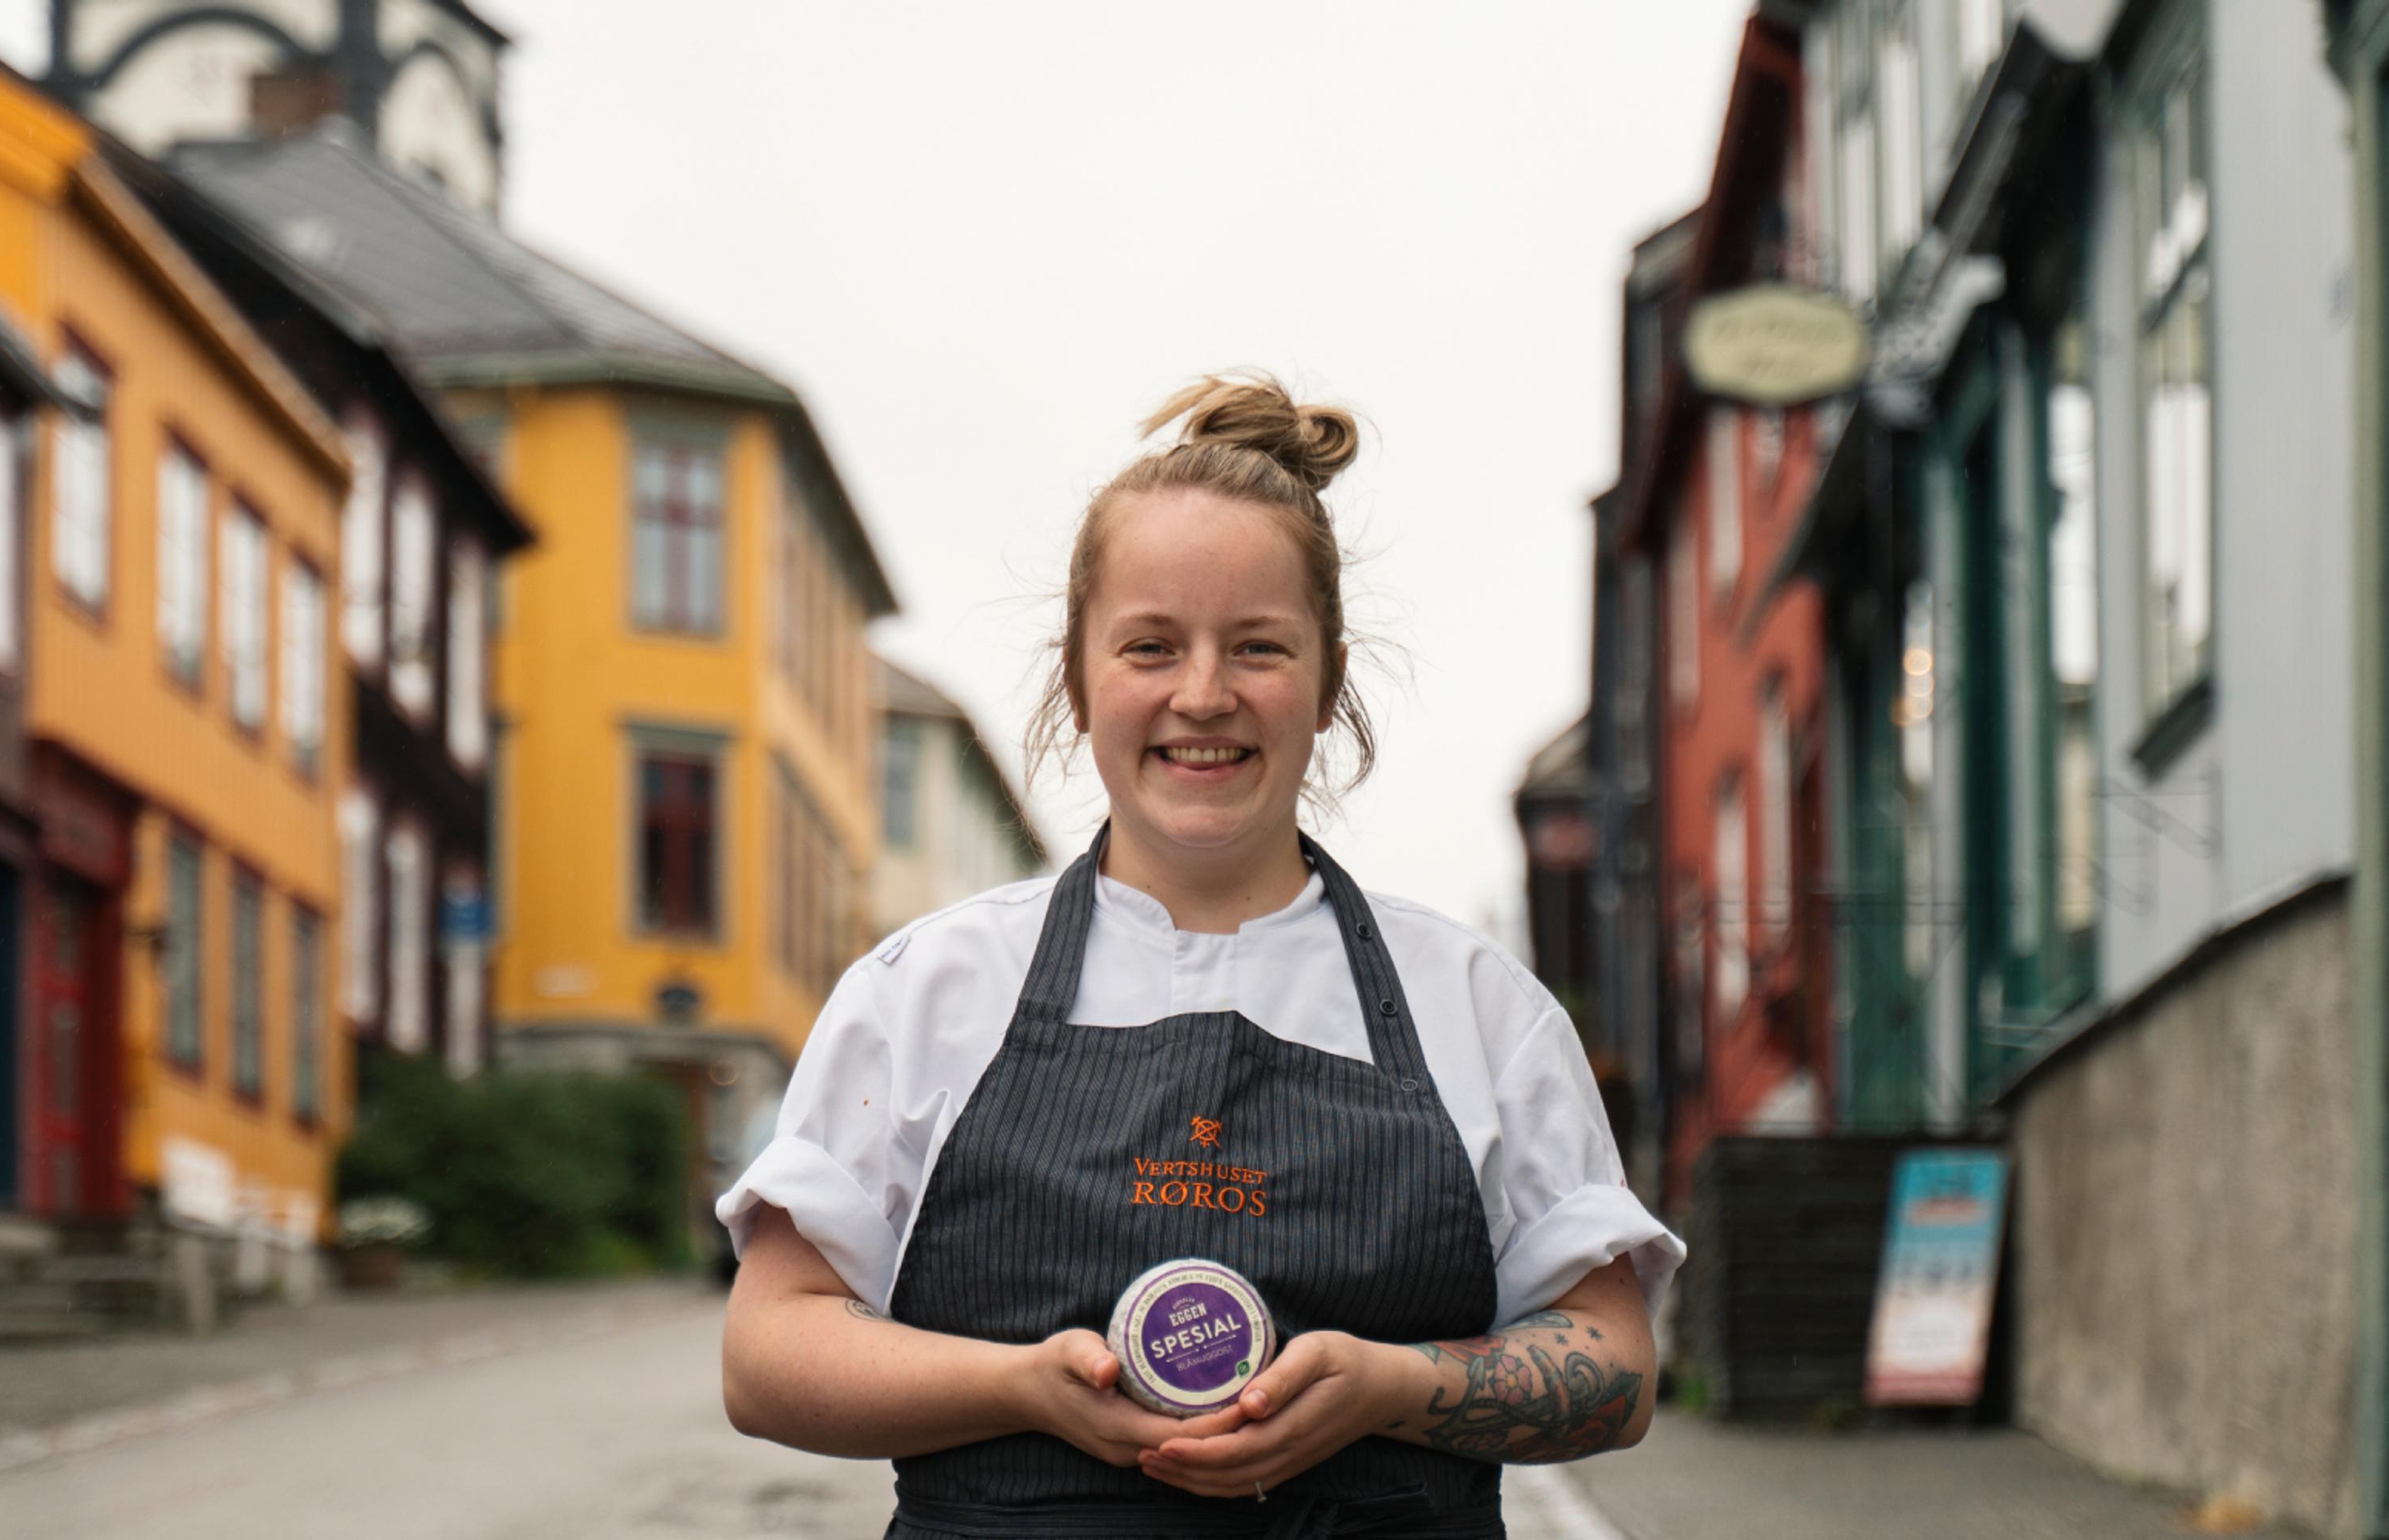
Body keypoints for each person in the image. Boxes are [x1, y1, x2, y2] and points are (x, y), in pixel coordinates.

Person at [717, 374, 1682, 1538]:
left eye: (1259, 647)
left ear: (1329, 679)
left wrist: (1397, 1387)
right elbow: (768, 1354)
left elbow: (1617, 1364)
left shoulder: (1478, 1008)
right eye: (1151, 646)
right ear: (1078, 678)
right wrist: (1020, 1387)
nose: (1204, 695)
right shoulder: (926, 992)